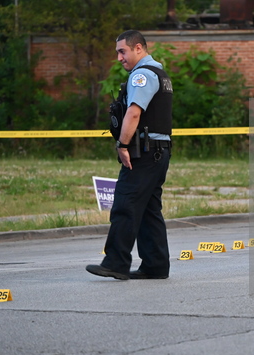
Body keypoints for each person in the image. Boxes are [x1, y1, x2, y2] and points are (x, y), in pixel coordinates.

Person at [86, 30, 173, 280]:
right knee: (148, 210)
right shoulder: (160, 73)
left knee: (125, 204)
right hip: (158, 152)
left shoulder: (143, 75)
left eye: (122, 51)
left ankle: (116, 262)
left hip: (143, 152)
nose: (119, 58)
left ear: (138, 48)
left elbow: (133, 113)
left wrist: (122, 145)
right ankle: (155, 266)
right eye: (117, 52)